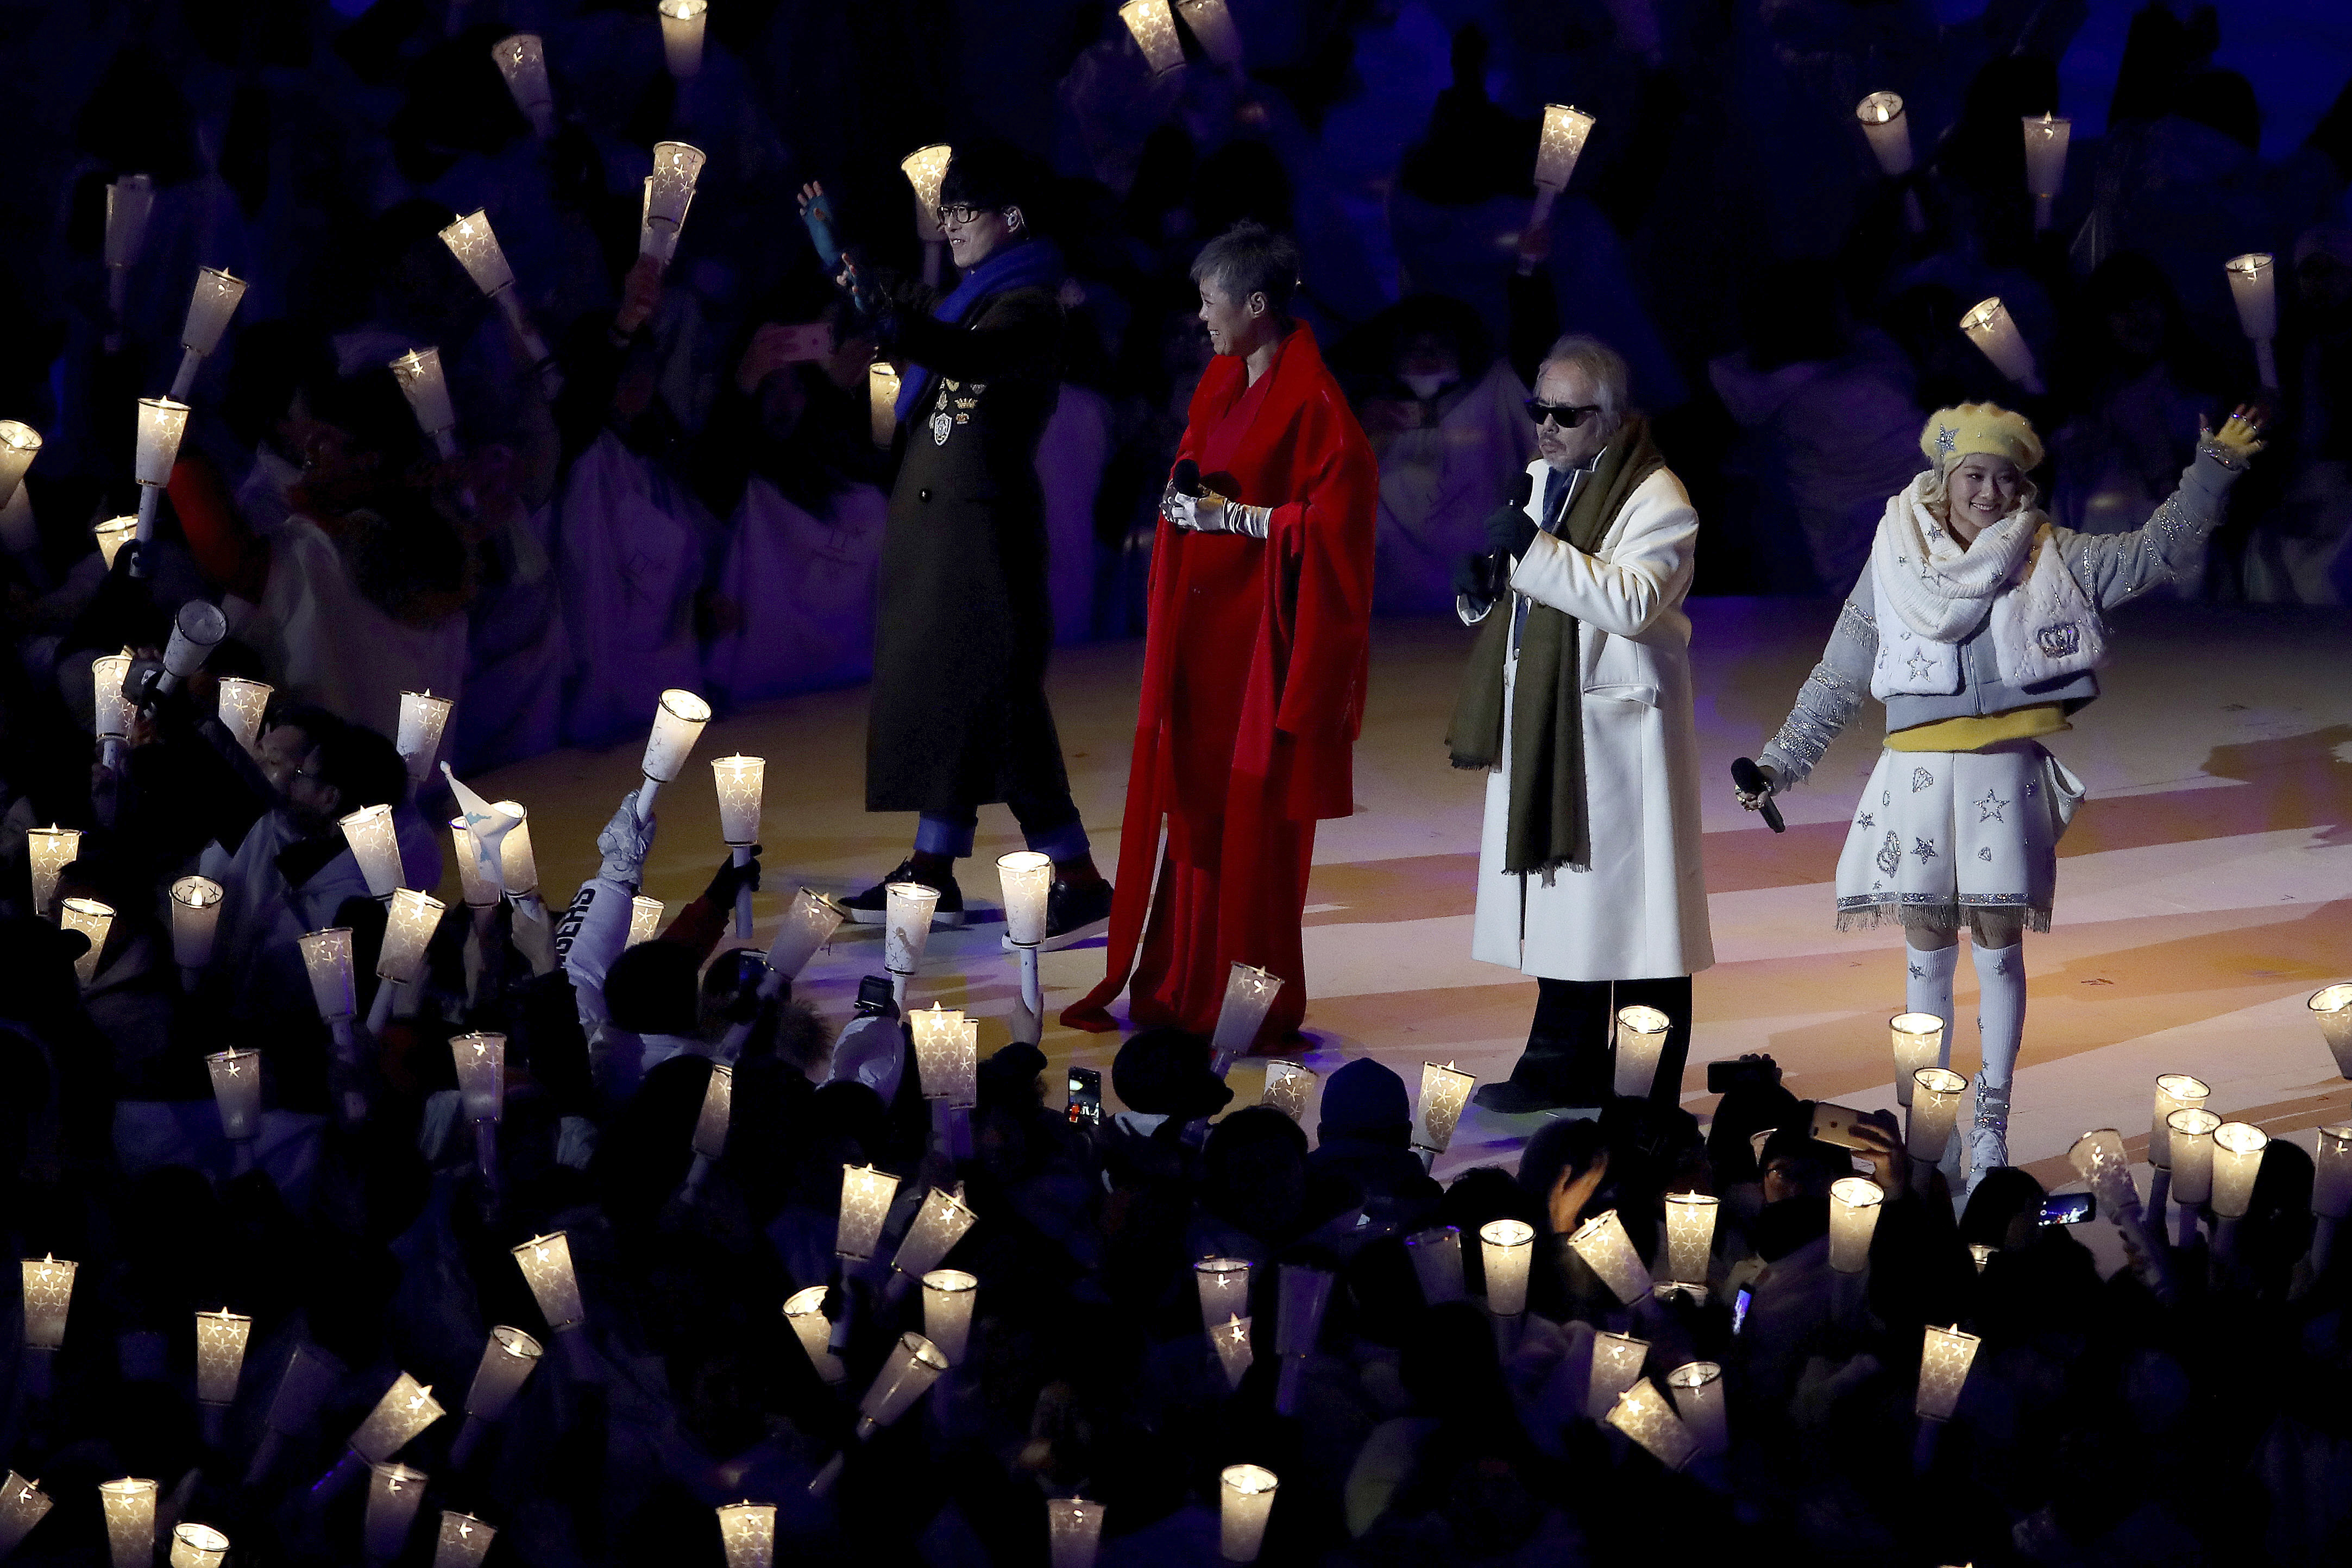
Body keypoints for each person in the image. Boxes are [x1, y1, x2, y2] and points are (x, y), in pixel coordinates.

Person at [1740, 402, 2266, 1190]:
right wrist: (1779, 763)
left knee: (1994, 951)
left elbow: (2154, 554)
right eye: (1973, 477)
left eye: (2004, 478)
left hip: (1998, 777)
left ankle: (1988, 1126)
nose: (1988, 493)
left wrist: (2210, 469)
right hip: (1916, 778)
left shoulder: (2047, 555)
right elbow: (1841, 673)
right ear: (1943, 480)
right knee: (1924, 956)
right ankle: (1925, 1125)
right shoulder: (1892, 558)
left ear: (2022, 484)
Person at [1063, 222, 1377, 1046]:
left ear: (1256, 304)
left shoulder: (1315, 403)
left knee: (1253, 829)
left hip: (1259, 651)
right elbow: (1194, 469)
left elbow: (1337, 528)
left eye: (1211, 301)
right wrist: (1182, 503)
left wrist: (1231, 517)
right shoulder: (1220, 379)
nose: (1200, 315)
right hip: (1206, 643)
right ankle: (1182, 981)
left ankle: (1248, 1003)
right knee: (1197, 818)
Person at [802, 144, 1111, 943]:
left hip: (981, 535)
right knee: (956, 697)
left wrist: (884, 310)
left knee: (998, 699)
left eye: (962, 214)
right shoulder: (971, 301)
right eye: (946, 216)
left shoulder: (1028, 307)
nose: (951, 228)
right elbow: (918, 312)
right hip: (947, 533)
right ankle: (932, 870)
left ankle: (1074, 871)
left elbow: (958, 352)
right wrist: (842, 260)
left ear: (1011, 220)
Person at [1447, 335, 1714, 1115]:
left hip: (1618, 737)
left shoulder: (1658, 496)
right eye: (1541, 409)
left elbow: (1632, 602)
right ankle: (1558, 1064)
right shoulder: (1544, 479)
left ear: (1612, 418)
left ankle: (1641, 1089)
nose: (1548, 427)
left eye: (1569, 413)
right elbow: (1533, 597)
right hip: (1553, 721)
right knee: (1562, 900)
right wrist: (1483, 593)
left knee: (1640, 924)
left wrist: (1530, 553)